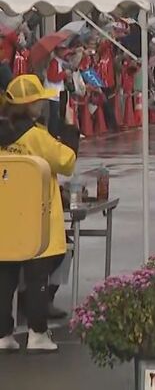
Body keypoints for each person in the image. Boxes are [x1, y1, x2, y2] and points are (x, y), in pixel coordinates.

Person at [0, 74, 80, 353]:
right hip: (37, 216)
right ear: (30, 105)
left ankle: (3, 334)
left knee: (4, 277)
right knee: (37, 278)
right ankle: (37, 333)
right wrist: (69, 128)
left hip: (5, 217)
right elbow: (66, 161)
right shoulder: (36, 136)